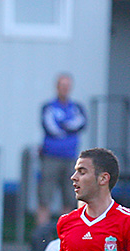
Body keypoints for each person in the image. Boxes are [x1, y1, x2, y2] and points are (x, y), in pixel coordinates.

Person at [36, 73, 86, 229]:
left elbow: (81, 124)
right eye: (62, 85)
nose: (64, 89)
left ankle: (67, 237)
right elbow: (51, 128)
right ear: (57, 87)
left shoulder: (77, 108)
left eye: (67, 86)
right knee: (45, 198)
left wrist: (63, 125)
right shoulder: (49, 107)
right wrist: (67, 127)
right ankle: (42, 237)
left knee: (70, 199)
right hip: (50, 157)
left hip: (71, 158)